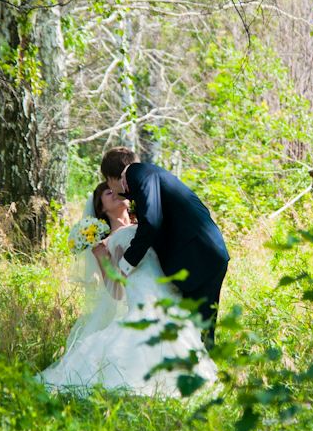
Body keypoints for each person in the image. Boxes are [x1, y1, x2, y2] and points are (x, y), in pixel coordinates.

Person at [36, 182, 217, 396]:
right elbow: (116, 292)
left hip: (169, 296)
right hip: (140, 302)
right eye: (107, 192)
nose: (115, 192)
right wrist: (103, 258)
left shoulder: (146, 227)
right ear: (101, 208)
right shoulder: (106, 244)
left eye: (116, 189)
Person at [101, 147, 229, 350]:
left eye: (107, 182)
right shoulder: (147, 175)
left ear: (111, 177)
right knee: (197, 328)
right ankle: (201, 375)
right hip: (202, 252)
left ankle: (206, 375)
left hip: (200, 254)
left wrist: (126, 264)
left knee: (200, 329)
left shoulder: (137, 172)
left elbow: (151, 221)